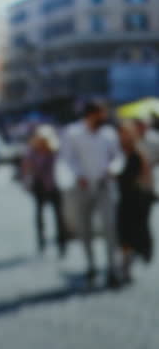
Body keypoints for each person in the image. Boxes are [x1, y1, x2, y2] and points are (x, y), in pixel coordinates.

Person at [59, 101, 123, 286]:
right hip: (82, 186)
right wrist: (79, 175)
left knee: (110, 227)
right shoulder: (73, 133)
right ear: (91, 115)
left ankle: (113, 267)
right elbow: (67, 159)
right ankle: (91, 265)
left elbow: (117, 156)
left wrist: (112, 169)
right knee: (84, 228)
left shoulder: (108, 134)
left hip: (104, 186)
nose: (103, 117)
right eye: (100, 114)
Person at [116, 121, 153, 283]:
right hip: (123, 199)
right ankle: (125, 265)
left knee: (135, 232)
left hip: (135, 200)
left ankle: (138, 256)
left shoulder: (137, 154)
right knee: (124, 235)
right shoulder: (118, 153)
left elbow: (145, 176)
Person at [22, 126, 67, 257]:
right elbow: (27, 167)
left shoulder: (54, 150)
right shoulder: (32, 152)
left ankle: (61, 242)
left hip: (54, 185)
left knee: (58, 216)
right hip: (40, 186)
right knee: (40, 215)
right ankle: (41, 240)